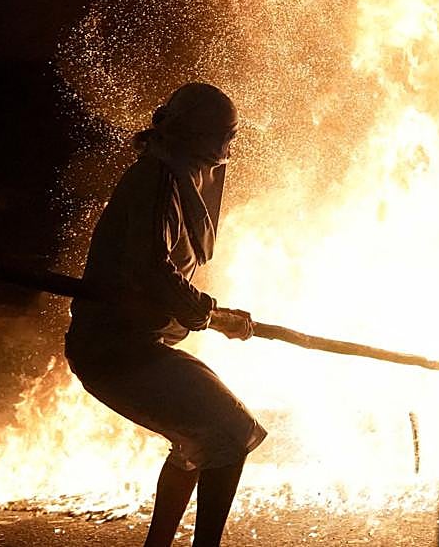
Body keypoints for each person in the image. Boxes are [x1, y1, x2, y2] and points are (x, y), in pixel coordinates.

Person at [65, 83, 266, 547]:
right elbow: (153, 270)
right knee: (231, 432)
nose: (228, 149)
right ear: (199, 137)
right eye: (223, 137)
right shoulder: (155, 179)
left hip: (139, 346)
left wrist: (213, 314)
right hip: (115, 350)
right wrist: (213, 315)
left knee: (200, 441)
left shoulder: (176, 176)